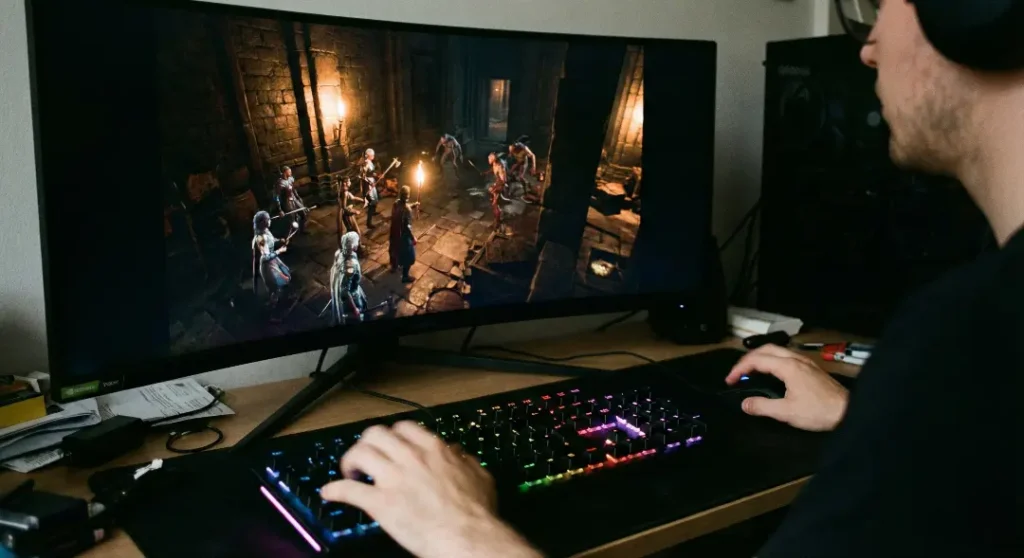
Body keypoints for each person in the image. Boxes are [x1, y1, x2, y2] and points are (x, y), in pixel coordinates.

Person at [320, 3, 1020, 557]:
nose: (867, 45)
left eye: (884, 2)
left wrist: (460, 534)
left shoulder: (968, 340)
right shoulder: (968, 365)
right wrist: (870, 422)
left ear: (974, 10)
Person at [251, 210, 292, 306]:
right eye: (268, 219)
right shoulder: (260, 238)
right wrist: (280, 251)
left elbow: (272, 240)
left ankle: (282, 298)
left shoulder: (266, 231)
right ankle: (274, 307)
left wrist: (280, 240)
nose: (270, 220)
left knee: (286, 273)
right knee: (274, 287)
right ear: (262, 222)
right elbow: (265, 257)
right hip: (267, 264)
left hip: (273, 260)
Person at [328, 231, 368, 325]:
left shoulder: (339, 253)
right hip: (352, 297)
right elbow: (345, 290)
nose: (358, 244)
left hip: (354, 288)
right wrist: (355, 309)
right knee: (356, 319)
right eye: (357, 242)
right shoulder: (351, 266)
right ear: (353, 246)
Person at [388, 185, 419, 283]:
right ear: (408, 196)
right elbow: (407, 227)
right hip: (403, 237)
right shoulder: (407, 210)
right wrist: (413, 238)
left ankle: (394, 266)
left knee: (393, 250)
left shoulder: (396, 203)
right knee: (409, 258)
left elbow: (404, 205)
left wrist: (414, 204)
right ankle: (405, 276)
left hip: (394, 233)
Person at [274, 165, 308, 233]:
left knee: (303, 214)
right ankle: (292, 234)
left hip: (294, 199)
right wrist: (280, 210)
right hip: (287, 202)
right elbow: (276, 197)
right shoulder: (280, 183)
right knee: (292, 220)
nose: (291, 172)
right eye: (289, 171)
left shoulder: (291, 179)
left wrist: (298, 197)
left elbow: (293, 189)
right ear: (285, 172)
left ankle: (302, 230)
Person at [336, 177, 366, 241]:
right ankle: (358, 247)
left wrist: (363, 200)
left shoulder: (345, 190)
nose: (350, 182)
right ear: (345, 183)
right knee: (356, 232)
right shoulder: (345, 192)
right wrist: (355, 211)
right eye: (349, 181)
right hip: (347, 214)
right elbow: (344, 207)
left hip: (348, 213)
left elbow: (353, 197)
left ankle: (356, 246)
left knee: (353, 231)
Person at [359, 149, 380, 228]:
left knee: (376, 199)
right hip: (367, 185)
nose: (373, 156)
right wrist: (370, 182)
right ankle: (369, 223)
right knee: (372, 202)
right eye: (372, 155)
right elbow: (362, 176)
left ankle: (373, 212)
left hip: (372, 182)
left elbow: (371, 172)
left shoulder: (370, 162)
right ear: (369, 156)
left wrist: (377, 175)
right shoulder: (365, 164)